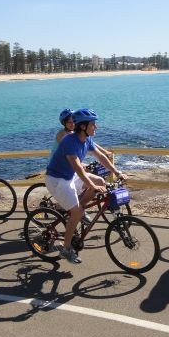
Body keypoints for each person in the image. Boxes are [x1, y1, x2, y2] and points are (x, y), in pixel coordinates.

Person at [45, 108, 127, 264]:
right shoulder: (69, 141)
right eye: (93, 124)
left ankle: (79, 212)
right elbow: (78, 168)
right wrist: (91, 185)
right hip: (57, 180)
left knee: (101, 182)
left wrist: (117, 172)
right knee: (76, 212)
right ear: (83, 126)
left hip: (70, 177)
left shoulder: (87, 139)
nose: (96, 127)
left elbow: (101, 156)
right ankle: (66, 248)